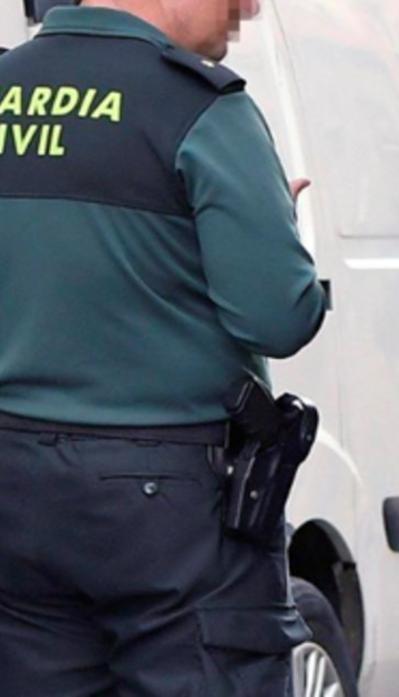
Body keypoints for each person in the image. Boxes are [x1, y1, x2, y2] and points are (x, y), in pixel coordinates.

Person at [0, 0, 326, 694]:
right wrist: (278, 235)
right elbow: (279, 315)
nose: (249, 9)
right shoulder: (202, 109)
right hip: (170, 501)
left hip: (15, 485)